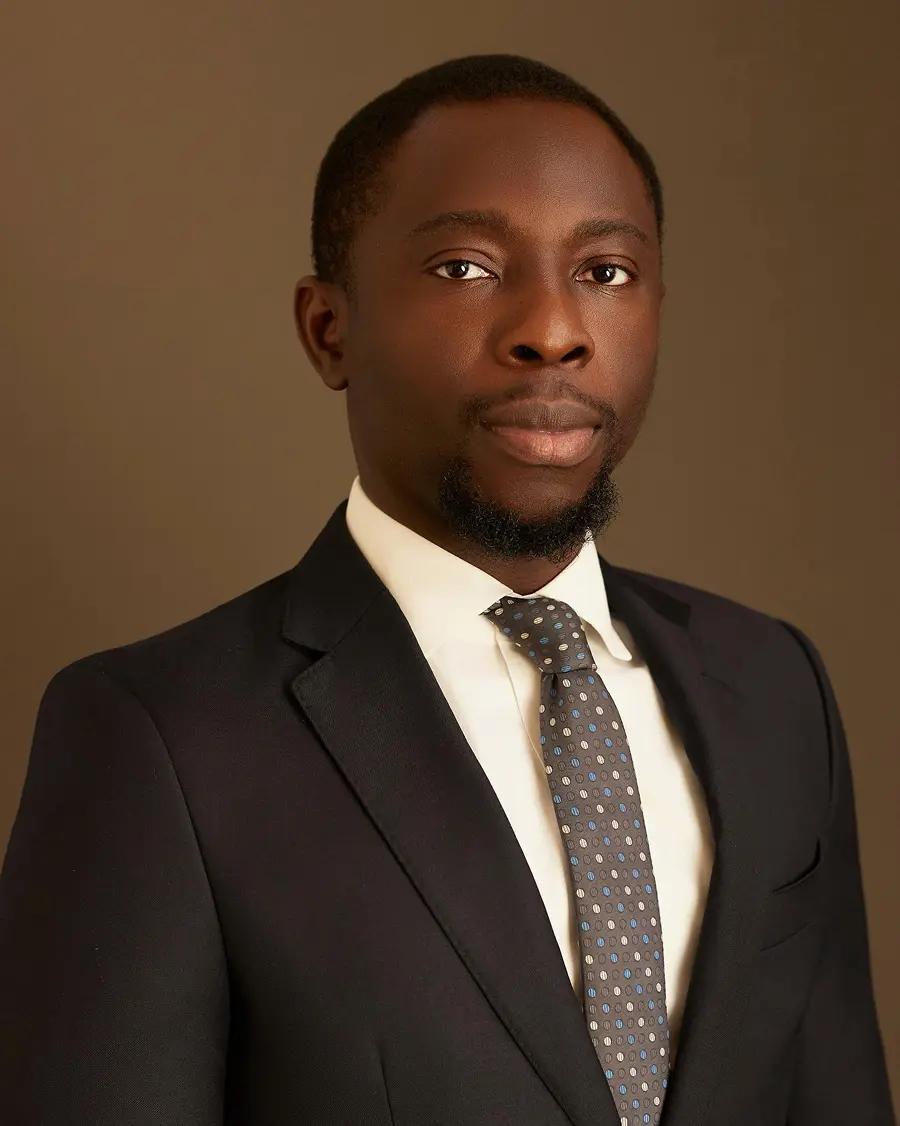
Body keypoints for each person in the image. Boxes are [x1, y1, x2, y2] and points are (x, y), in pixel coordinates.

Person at [0, 53, 893, 1126]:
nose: (553, 330)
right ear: (328, 329)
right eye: (466, 267)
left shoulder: (776, 688)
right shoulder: (158, 741)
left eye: (606, 271)